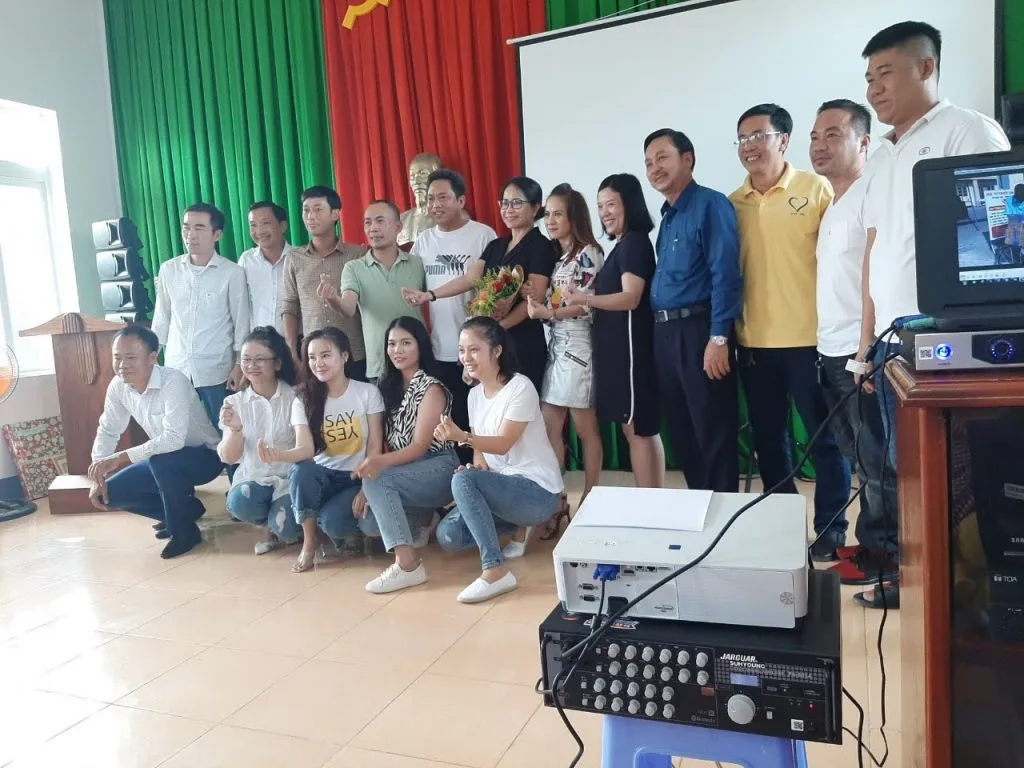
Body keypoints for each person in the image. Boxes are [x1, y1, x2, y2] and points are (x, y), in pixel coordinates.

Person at [855, 21, 1011, 607]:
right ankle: (925, 586)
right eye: (868, 78)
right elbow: (875, 251)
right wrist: (865, 346)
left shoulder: (966, 131)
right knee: (908, 472)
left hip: (950, 340)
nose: (874, 88)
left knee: (958, 473)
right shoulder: (883, 155)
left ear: (926, 68)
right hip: (894, 344)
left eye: (885, 73)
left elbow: (1000, 240)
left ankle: (970, 599)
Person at [729, 103, 851, 561]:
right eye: (742, 139)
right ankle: (782, 530)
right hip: (754, 344)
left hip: (810, 342)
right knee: (769, 442)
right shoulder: (733, 203)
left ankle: (831, 529)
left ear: (783, 139)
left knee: (825, 440)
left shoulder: (816, 189)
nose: (750, 146)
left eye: (758, 136)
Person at [809, 99, 899, 589]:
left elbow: (874, 277)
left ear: (864, 142)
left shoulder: (870, 195)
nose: (820, 145)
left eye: (833, 135)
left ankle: (885, 557)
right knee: (859, 458)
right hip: (830, 349)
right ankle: (871, 545)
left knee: (878, 460)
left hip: (857, 352)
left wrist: (865, 350)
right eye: (815, 136)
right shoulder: (832, 203)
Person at [433, 318, 564, 604]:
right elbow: (482, 457)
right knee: (449, 535)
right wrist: (474, 471)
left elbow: (504, 442)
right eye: (462, 350)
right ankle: (517, 526)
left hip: (537, 492)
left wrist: (462, 437)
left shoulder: (520, 387)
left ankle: (495, 570)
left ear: (496, 351)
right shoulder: (474, 395)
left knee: (464, 481)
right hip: (505, 489)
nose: (466, 358)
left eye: (474, 350)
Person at [643, 128, 742, 493]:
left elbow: (725, 274)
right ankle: (700, 506)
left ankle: (723, 512)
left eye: (662, 158)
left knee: (711, 429)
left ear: (688, 159)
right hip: (666, 334)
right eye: (648, 163)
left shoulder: (710, 204)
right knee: (683, 432)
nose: (655, 168)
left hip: (699, 330)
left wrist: (719, 337)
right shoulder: (668, 215)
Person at [87, 325, 223, 559]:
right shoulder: (118, 386)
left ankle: (184, 533)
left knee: (162, 461)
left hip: (205, 457)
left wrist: (119, 458)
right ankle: (185, 513)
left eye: (131, 357)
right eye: (117, 358)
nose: (122, 365)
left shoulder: (174, 381)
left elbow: (174, 439)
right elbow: (108, 429)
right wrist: (99, 472)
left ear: (152, 357)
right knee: (107, 494)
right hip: (163, 460)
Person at [566, 173, 664, 489]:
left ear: (629, 204)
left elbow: (630, 297)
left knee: (637, 430)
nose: (604, 213)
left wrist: (585, 298)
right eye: (600, 206)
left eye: (611, 204)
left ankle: (650, 502)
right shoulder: (623, 244)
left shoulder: (633, 243)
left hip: (631, 354)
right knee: (638, 429)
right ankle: (654, 499)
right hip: (620, 355)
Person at [357, 317, 460, 594]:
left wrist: (376, 466)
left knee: (377, 480)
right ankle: (426, 517)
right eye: (391, 344)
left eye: (405, 343)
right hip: (405, 472)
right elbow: (380, 441)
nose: (397, 350)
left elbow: (419, 447)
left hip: (438, 467)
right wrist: (369, 478)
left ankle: (408, 566)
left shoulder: (431, 387)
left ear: (420, 345)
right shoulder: (386, 386)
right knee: (369, 524)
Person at [526, 183, 604, 539]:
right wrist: (536, 303)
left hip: (579, 347)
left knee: (586, 429)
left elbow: (585, 303)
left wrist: (550, 312)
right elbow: (555, 304)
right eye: (548, 215)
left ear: (575, 217)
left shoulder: (590, 253)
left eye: (558, 214)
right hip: (556, 346)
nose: (551, 221)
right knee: (549, 427)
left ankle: (590, 498)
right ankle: (557, 501)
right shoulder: (558, 258)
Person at [402, 169, 496, 443]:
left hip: (478, 349)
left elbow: (492, 287)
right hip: (440, 348)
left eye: (443, 197)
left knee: (481, 419)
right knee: (450, 420)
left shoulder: (483, 235)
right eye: (431, 199)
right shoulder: (424, 240)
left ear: (461, 200)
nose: (435, 205)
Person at [289, 327, 384, 572]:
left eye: (325, 355)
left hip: (356, 476)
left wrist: (366, 487)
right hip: (324, 477)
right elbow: (304, 450)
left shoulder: (367, 392)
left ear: (344, 356)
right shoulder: (303, 398)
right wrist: (276, 455)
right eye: (312, 357)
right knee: (301, 471)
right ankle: (310, 542)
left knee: (333, 522)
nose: (318, 363)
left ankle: (343, 530)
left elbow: (375, 446)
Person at [151, 202, 250, 426]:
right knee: (181, 432)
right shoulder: (169, 269)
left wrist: (239, 365)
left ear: (217, 235)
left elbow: (241, 323)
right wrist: (151, 359)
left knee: (225, 430)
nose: (191, 235)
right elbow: (162, 319)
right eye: (186, 227)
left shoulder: (232, 273)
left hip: (217, 371)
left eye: (199, 228)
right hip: (176, 369)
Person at [217, 326, 313, 556]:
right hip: (254, 478)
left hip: (288, 480)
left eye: (260, 359)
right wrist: (236, 429)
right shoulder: (234, 403)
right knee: (240, 503)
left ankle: (278, 527)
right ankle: (268, 526)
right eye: (246, 360)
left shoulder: (297, 397)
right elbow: (229, 457)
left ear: (277, 363)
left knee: (286, 528)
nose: (251, 366)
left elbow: (307, 448)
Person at [316, 200, 426, 382]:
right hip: (380, 365)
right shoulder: (354, 268)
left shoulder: (417, 263)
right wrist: (333, 299)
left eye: (380, 221)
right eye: (368, 223)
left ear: (398, 227)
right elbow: (348, 308)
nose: (373, 228)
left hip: (418, 362)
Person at [281, 186, 368, 380]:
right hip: (314, 357)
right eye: (306, 210)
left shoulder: (357, 254)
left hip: (354, 352)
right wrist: (292, 350)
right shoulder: (294, 259)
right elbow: (289, 306)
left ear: (335, 214)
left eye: (318, 209)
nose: (310, 216)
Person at [239, 201, 291, 335]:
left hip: (293, 341)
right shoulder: (246, 260)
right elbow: (238, 303)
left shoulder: (298, 258)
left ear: (282, 226)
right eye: (253, 225)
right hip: (258, 341)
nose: (259, 231)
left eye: (265, 223)